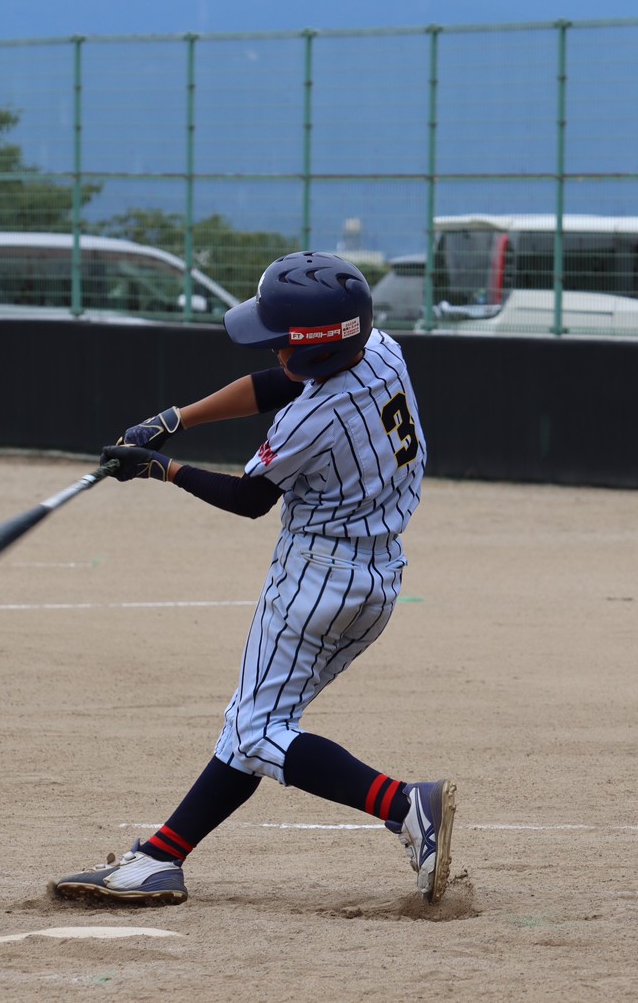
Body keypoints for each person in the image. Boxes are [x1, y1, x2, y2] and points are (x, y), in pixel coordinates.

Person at [52, 251, 454, 905]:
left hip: (316, 585)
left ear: (316, 349)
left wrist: (162, 469)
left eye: (282, 342)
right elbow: (282, 382)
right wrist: (175, 419)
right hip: (375, 576)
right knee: (259, 722)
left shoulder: (314, 419)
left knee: (260, 731)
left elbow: (250, 499)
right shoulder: (380, 349)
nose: (272, 351)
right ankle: (161, 857)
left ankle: (405, 804)